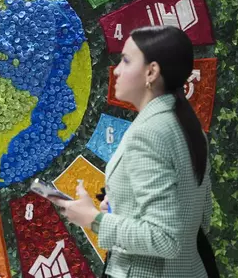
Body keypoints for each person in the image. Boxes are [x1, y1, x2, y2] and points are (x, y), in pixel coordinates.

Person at [49, 26, 215, 277]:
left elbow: (165, 239)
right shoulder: (189, 126)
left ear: (151, 71)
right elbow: (201, 219)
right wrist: (122, 209)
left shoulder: (148, 134)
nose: (116, 70)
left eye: (126, 60)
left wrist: (94, 219)